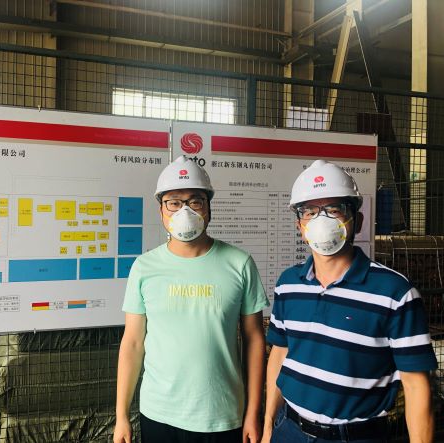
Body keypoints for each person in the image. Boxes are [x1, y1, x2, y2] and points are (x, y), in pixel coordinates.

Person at [263, 160, 438, 443]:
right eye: (309, 211)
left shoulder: (396, 293)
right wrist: (269, 425)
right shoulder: (288, 283)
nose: (321, 220)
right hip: (289, 429)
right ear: (300, 225)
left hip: (356, 436)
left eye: (334, 209)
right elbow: (280, 354)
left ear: (358, 220)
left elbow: (416, 385)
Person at [113, 155, 269, 443]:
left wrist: (252, 412)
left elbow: (255, 340)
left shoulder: (240, 263)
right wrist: (121, 415)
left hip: (223, 415)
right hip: (158, 413)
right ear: (161, 210)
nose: (184, 210)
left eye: (195, 201)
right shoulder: (144, 267)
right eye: (174, 202)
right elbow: (133, 342)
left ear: (209, 208)